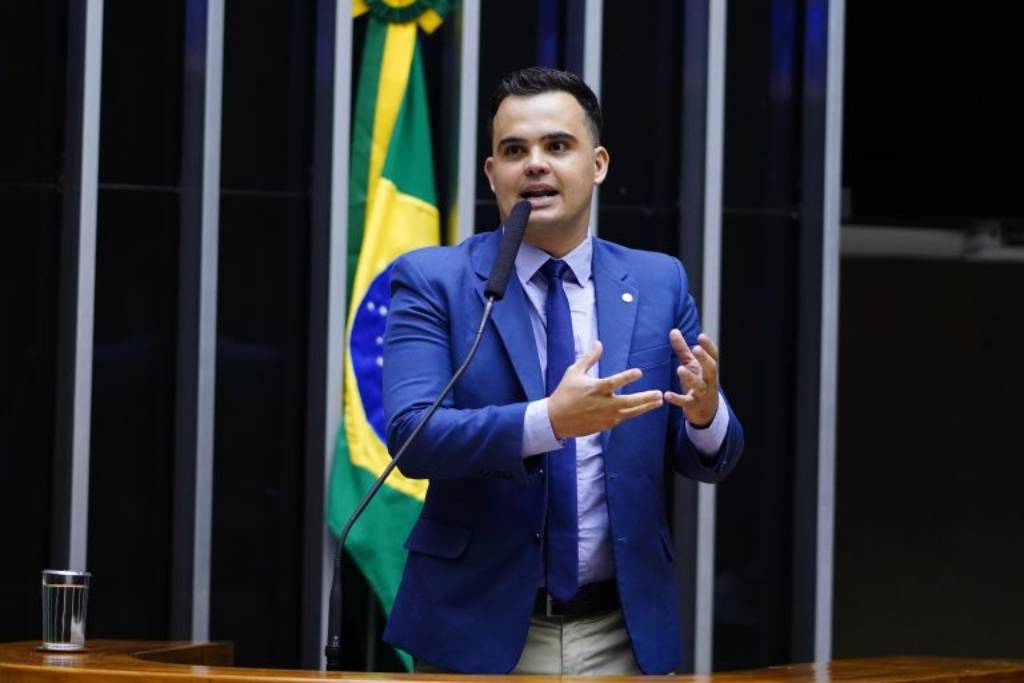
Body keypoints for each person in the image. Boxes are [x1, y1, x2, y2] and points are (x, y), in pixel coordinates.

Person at [380, 66, 744, 675]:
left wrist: (706, 416)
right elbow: (414, 438)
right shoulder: (434, 281)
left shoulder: (658, 281)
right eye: (514, 151)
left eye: (557, 146)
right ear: (491, 173)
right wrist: (549, 421)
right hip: (475, 630)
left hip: (622, 632)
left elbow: (706, 456)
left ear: (597, 164)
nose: (535, 165)